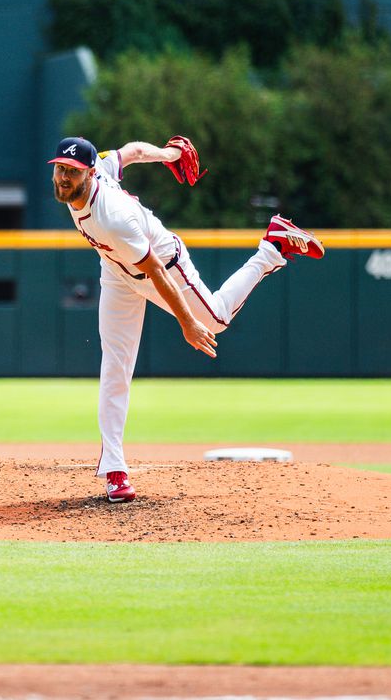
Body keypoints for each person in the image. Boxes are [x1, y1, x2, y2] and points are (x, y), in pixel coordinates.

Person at [49, 136, 324, 503]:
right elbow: (132, 152)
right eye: (60, 169)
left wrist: (187, 323)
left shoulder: (112, 216)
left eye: (73, 171)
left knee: (216, 321)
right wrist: (171, 154)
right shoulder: (99, 168)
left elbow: (156, 273)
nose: (64, 177)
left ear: (89, 174)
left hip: (163, 265)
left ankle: (271, 247)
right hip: (117, 271)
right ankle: (114, 470)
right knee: (115, 367)